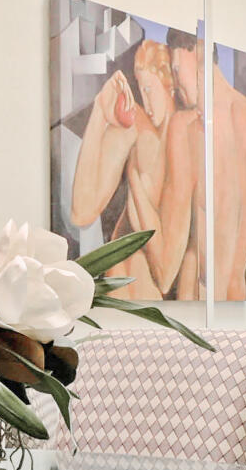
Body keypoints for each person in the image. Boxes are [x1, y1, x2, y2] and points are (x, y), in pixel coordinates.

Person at [69, 36, 196, 299]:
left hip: (146, 306)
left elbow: (165, 276)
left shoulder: (183, 152)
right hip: (116, 301)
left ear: (169, 86)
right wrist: (99, 113)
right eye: (140, 89)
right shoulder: (136, 130)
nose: (146, 104)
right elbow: (81, 213)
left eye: (149, 89)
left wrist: (136, 182)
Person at [171, 31, 246, 300]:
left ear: (196, 55)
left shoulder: (242, 116)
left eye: (175, 69)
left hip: (227, 298)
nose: (174, 83)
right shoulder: (188, 125)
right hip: (195, 295)